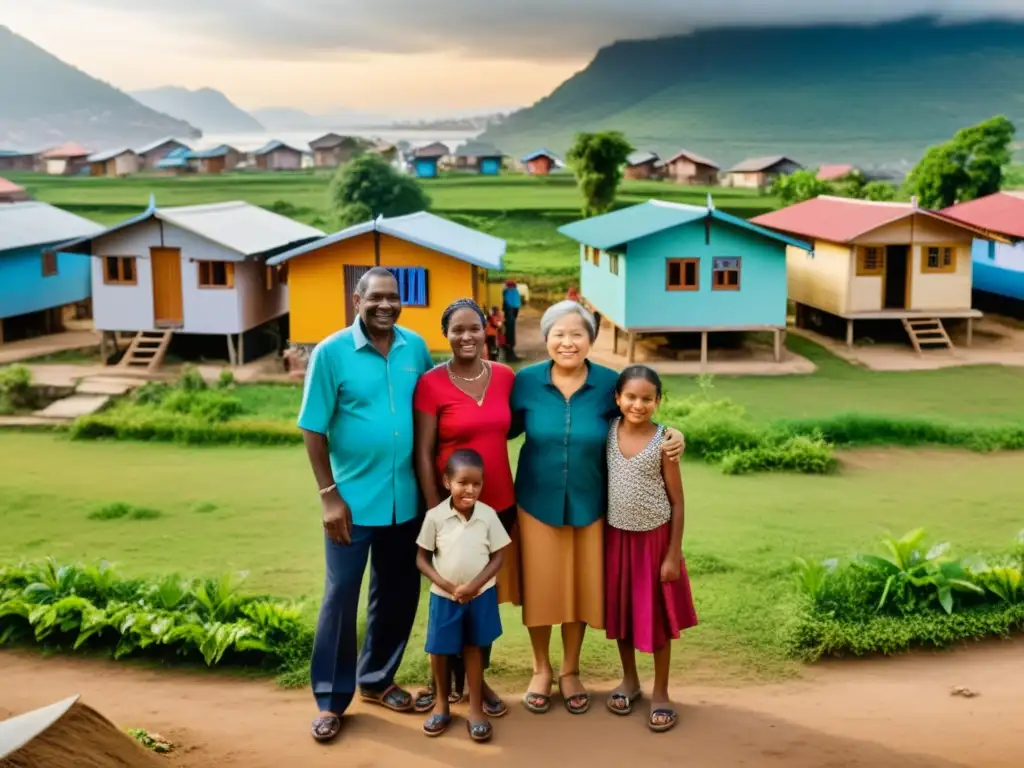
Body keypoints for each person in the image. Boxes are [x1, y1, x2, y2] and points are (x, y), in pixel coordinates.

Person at [510, 300, 684, 716]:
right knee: (541, 587)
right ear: (546, 338)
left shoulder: (609, 383)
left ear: (591, 339)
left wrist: (675, 434)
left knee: (579, 588)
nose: (567, 342)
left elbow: (638, 416)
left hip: (593, 504)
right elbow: (501, 427)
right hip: (535, 500)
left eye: (577, 334)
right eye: (559, 334)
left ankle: (570, 670)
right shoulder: (525, 383)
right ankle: (541, 669)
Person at [299, 266, 434, 744]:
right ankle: (331, 700)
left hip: (406, 500)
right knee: (340, 598)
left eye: (393, 297)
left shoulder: (414, 347)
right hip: (351, 504)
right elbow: (313, 428)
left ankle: (377, 680)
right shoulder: (332, 352)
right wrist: (328, 495)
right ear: (357, 300)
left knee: (398, 594)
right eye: (375, 296)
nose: (385, 305)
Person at [412, 298, 518, 717]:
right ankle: (447, 688)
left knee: (483, 599)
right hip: (450, 513)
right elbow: (423, 452)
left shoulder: (507, 377)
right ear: (446, 334)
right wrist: (433, 511)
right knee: (447, 596)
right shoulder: (431, 383)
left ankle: (477, 681)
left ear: (486, 330)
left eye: (474, 327)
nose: (467, 336)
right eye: (457, 329)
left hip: (499, 507)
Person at [604, 365, 697, 733]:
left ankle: (661, 692)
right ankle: (630, 681)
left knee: (657, 618)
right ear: (617, 399)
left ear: (658, 402)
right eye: (630, 397)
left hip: (655, 542)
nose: (637, 404)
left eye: (646, 398)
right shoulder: (609, 432)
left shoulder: (665, 442)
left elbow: (678, 502)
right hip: (617, 539)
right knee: (623, 615)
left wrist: (673, 554)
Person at [416, 449, 512, 742]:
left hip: (479, 595)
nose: (469, 489)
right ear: (447, 482)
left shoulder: (488, 516)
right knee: (440, 650)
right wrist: (445, 585)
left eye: (476, 484)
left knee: (474, 648)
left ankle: (475, 708)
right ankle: (442, 704)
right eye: (462, 482)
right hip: (444, 597)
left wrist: (474, 586)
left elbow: (498, 556)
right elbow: (422, 558)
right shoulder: (435, 517)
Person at [501, 279, 521, 358]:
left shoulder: (506, 292)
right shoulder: (514, 292)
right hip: (511, 315)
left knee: (508, 333)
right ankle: (510, 353)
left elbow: (505, 304)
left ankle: (508, 351)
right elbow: (516, 306)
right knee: (510, 334)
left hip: (508, 315)